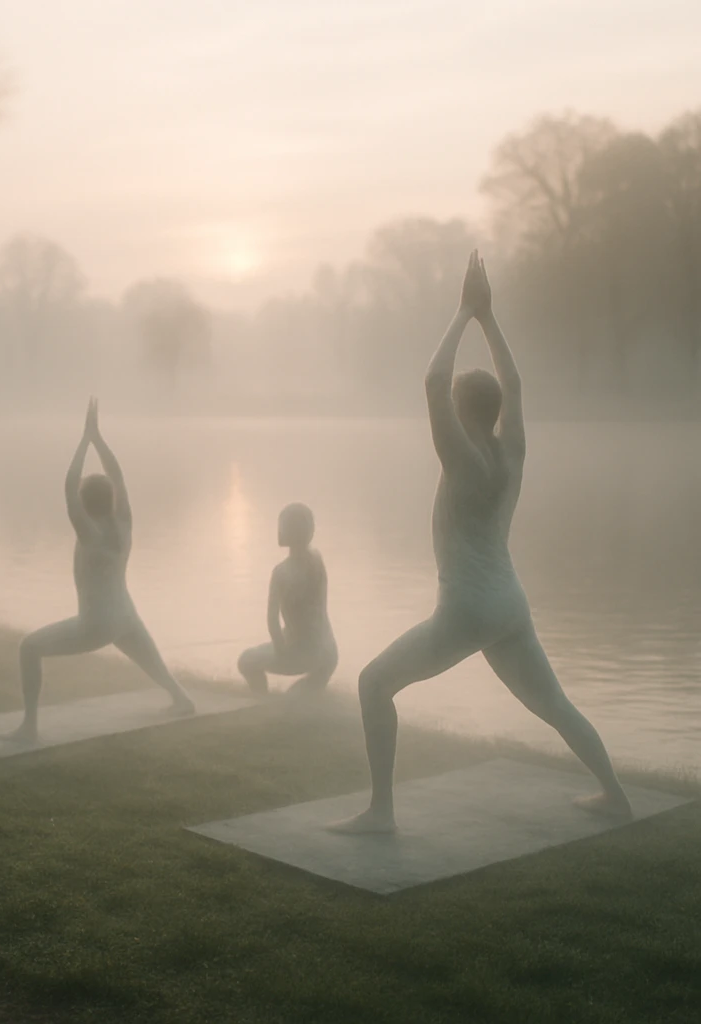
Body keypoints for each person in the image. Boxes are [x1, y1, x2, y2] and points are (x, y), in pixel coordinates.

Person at [330, 251, 631, 834]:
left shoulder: (464, 460)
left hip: (467, 610)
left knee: (372, 685)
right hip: (509, 607)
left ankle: (380, 814)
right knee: (556, 706)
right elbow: (514, 383)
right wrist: (491, 320)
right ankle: (614, 794)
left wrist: (465, 310)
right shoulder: (510, 452)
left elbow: (432, 381)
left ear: (463, 412)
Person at [11, 398, 195, 743]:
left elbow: (68, 486)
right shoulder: (123, 524)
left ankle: (29, 726)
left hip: (95, 623)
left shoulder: (89, 532)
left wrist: (85, 439)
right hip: (125, 613)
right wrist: (98, 437)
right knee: (149, 660)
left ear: (84, 503)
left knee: (28, 647)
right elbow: (118, 476)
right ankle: (182, 699)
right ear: (110, 499)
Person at [237, 502, 338, 697]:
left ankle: (262, 703)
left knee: (246, 661)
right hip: (328, 653)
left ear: (293, 531)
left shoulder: (282, 572)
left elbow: (272, 621)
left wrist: (281, 653)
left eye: (282, 526)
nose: (278, 530)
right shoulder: (317, 559)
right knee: (299, 695)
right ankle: (309, 692)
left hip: (304, 653)